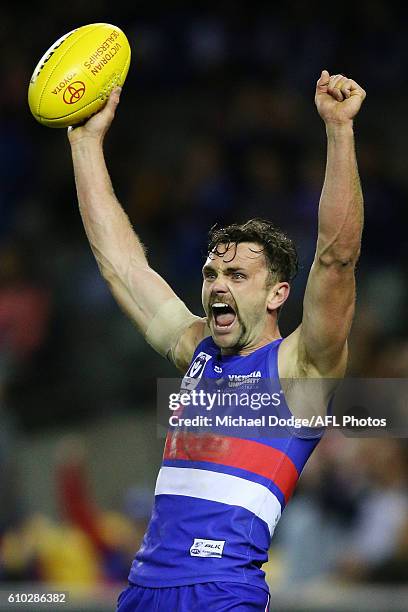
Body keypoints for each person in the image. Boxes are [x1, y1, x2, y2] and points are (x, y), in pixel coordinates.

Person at [67, 70, 366, 611]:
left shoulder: (301, 369)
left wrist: (339, 133)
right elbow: (123, 266)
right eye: (210, 275)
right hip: (142, 591)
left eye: (236, 277)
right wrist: (86, 143)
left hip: (222, 593)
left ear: (277, 294)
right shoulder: (196, 351)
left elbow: (336, 257)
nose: (216, 286)